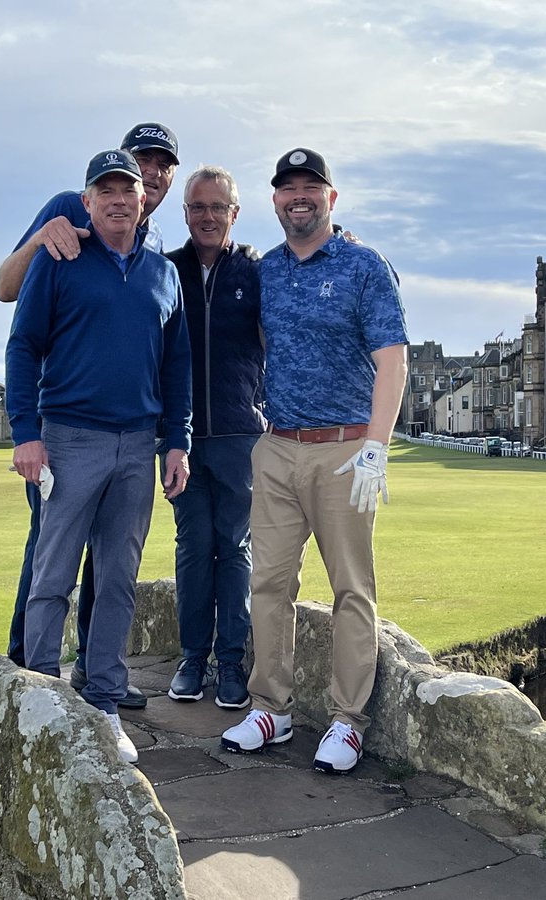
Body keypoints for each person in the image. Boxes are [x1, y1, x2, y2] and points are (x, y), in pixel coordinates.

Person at [221, 148, 408, 774]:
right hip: (277, 447)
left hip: (346, 447)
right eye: (287, 188)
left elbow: (392, 361)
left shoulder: (363, 265)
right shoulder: (265, 270)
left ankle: (347, 721)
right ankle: (269, 708)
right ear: (274, 201)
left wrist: (376, 448)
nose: (298, 196)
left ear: (332, 198)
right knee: (268, 583)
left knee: (352, 589)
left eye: (310, 187)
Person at [6, 148, 192, 764]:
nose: (117, 200)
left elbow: (177, 367)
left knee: (117, 578)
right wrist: (25, 433)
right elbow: (24, 345)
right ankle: (40, 697)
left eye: (128, 191)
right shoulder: (60, 260)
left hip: (139, 445)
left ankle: (105, 702)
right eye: (104, 190)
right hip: (68, 438)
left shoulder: (162, 274)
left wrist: (176, 441)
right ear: (86, 201)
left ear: (144, 203)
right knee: (52, 574)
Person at [162, 166, 264, 708]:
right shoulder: (166, 269)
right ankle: (192, 660)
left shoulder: (256, 271)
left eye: (217, 207)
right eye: (198, 207)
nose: (207, 216)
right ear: (186, 213)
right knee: (193, 549)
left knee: (235, 548)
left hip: (239, 436)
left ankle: (230, 665)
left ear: (234, 213)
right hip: (179, 439)